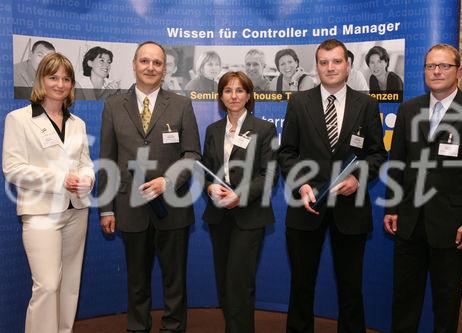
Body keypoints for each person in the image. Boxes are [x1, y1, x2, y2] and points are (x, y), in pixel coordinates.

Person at [384, 43, 462, 333]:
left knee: (446, 299)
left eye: (444, 66)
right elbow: (397, 161)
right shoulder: (409, 109)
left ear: (458, 70)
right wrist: (392, 206)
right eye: (430, 66)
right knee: (403, 297)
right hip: (409, 221)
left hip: (452, 225)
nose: (436, 71)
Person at [278, 39, 386, 333]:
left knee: (351, 288)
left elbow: (377, 153)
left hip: (350, 211)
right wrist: (301, 185)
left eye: (337, 61)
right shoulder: (299, 102)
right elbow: (286, 153)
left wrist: (357, 177)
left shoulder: (367, 104)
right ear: (317, 66)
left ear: (348, 64)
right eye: (324, 62)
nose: (330, 68)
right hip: (307, 207)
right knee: (301, 286)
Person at [98, 41, 201, 332]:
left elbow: (192, 154)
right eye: (145, 61)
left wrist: (167, 181)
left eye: (157, 62)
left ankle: (173, 327)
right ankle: (137, 327)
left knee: (175, 280)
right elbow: (106, 158)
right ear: (134, 64)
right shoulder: (113, 105)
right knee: (137, 279)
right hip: (130, 208)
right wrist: (106, 208)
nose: (150, 67)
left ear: (164, 68)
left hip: (173, 208)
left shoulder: (181, 105)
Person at [3, 52, 94, 333]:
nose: (60, 84)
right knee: (47, 285)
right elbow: (12, 169)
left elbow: (85, 163)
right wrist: (59, 179)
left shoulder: (77, 123)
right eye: (53, 77)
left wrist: (87, 180)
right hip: (41, 213)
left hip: (76, 211)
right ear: (41, 79)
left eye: (66, 78)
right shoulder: (19, 119)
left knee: (69, 285)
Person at [202, 71, 277, 333]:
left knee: (239, 283)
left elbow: (269, 174)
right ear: (221, 96)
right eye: (227, 90)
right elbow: (206, 170)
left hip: (249, 216)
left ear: (248, 95)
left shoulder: (265, 129)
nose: (234, 96)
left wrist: (240, 195)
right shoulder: (212, 131)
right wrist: (210, 187)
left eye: (240, 90)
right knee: (224, 282)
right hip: (219, 217)